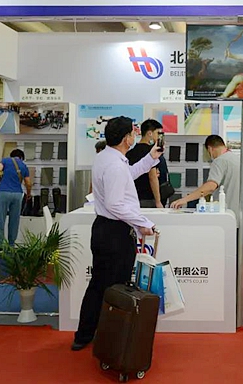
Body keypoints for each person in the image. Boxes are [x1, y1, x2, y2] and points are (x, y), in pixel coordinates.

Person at [72, 116, 162, 351]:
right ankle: (110, 341)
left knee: (99, 285)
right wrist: (143, 222)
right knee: (116, 289)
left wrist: (150, 159)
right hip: (116, 233)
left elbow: (127, 175)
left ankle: (85, 335)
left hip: (105, 229)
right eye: (133, 133)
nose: (135, 136)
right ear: (126, 139)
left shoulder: (107, 157)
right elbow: (115, 204)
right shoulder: (114, 164)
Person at [170, 135, 243, 307]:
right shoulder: (238, 159)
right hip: (240, 219)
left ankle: (228, 297)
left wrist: (185, 199)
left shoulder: (219, 161)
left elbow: (211, 186)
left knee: (227, 260)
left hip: (226, 221)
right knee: (242, 260)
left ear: (210, 149)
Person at [0, 149, 31, 246]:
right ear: (21, 157)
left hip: (3, 192)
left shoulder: (5, 161)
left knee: (0, 220)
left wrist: (1, 180)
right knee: (14, 221)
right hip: (17, 194)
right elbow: (28, 183)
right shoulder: (23, 166)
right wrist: (28, 194)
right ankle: (11, 245)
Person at [126, 119, 169, 208]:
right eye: (158, 133)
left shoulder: (130, 152)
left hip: (134, 197)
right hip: (149, 198)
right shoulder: (151, 153)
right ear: (150, 133)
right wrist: (158, 201)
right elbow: (152, 177)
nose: (160, 137)